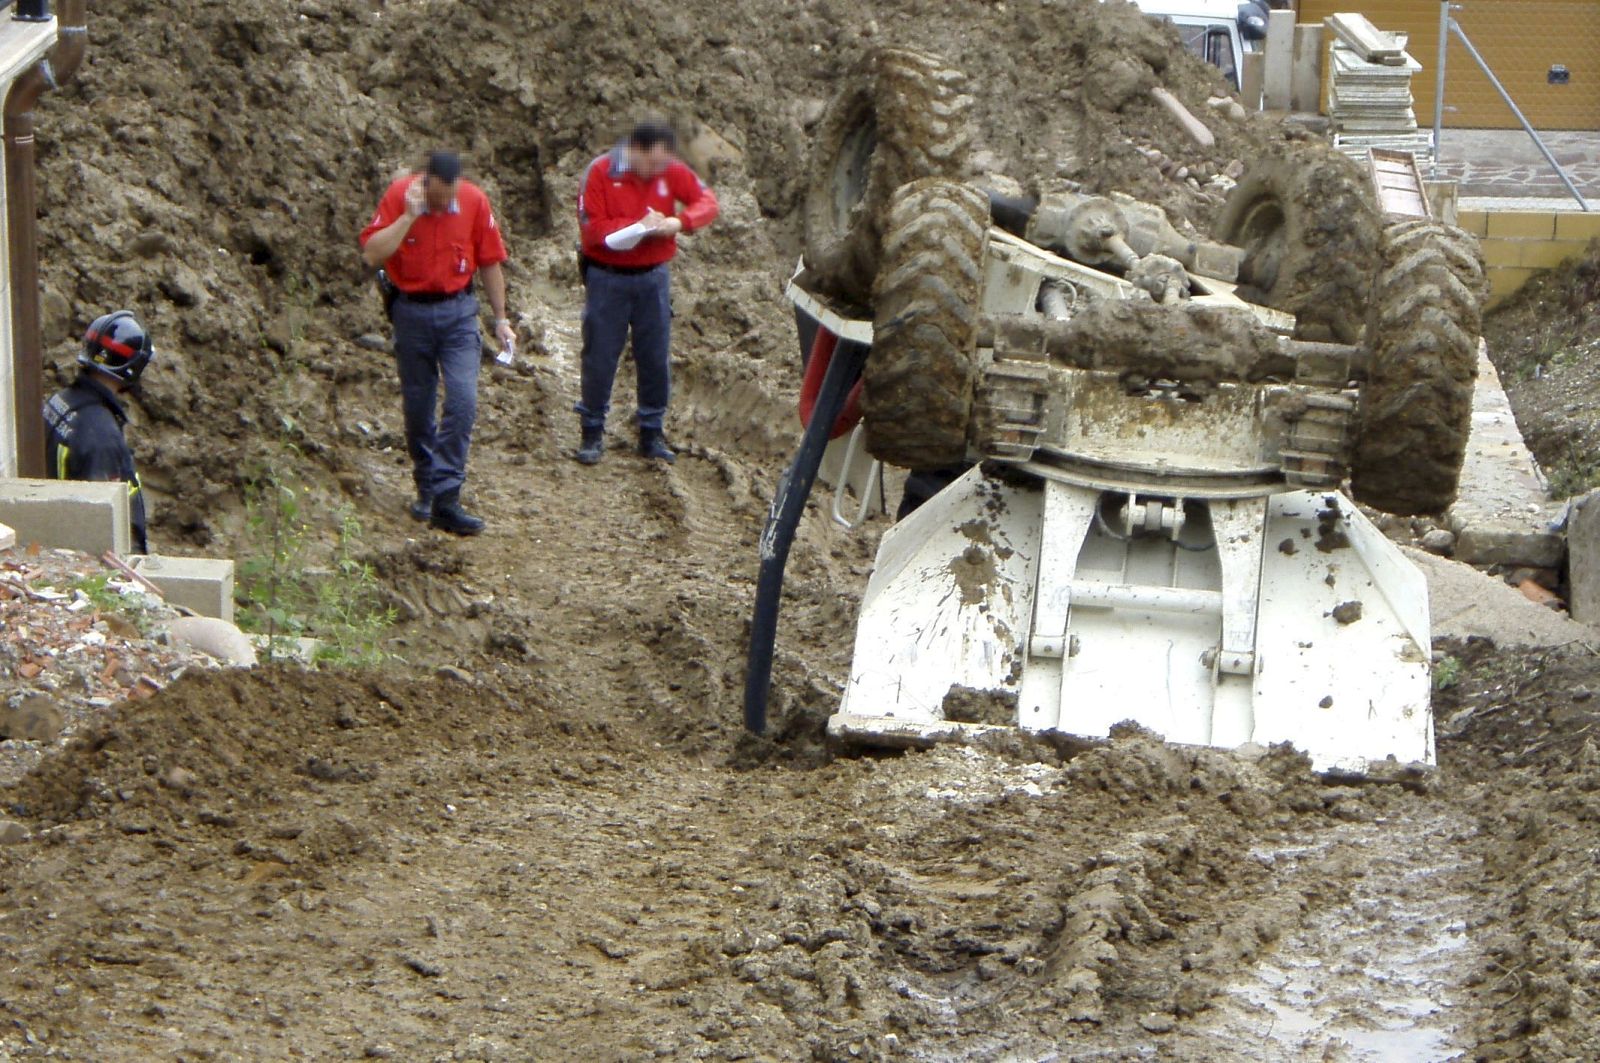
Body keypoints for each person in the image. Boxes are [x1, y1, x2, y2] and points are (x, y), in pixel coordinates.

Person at [359, 150, 515, 536]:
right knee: (418, 407)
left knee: (462, 400)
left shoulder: (475, 202)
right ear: (424, 181)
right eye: (436, 198)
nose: (443, 205)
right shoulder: (400, 197)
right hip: (411, 312)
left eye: (450, 197)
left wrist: (501, 319)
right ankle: (426, 486)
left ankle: (447, 497)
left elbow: (490, 261)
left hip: (459, 313)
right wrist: (409, 216)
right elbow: (372, 253)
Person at [575, 120, 719, 465]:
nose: (658, 171)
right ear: (634, 150)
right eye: (652, 163)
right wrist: (639, 228)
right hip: (608, 277)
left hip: (653, 277)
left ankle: (652, 431)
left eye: (663, 164)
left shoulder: (670, 171)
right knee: (601, 354)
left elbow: (707, 201)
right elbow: (593, 229)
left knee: (654, 356)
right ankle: (592, 431)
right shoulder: (600, 172)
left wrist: (678, 223)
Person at [44, 310, 155, 554]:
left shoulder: (61, 401)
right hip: (81, 555)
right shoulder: (101, 435)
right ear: (134, 368)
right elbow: (104, 525)